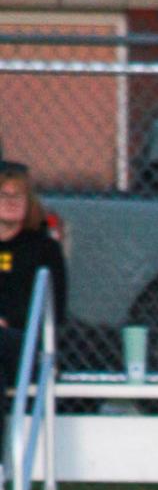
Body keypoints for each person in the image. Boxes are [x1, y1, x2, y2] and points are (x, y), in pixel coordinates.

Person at [0, 161, 67, 403]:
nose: (12, 201)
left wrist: (8, 320)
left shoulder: (43, 249)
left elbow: (55, 309)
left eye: (18, 195)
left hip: (26, 344)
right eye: (4, 194)